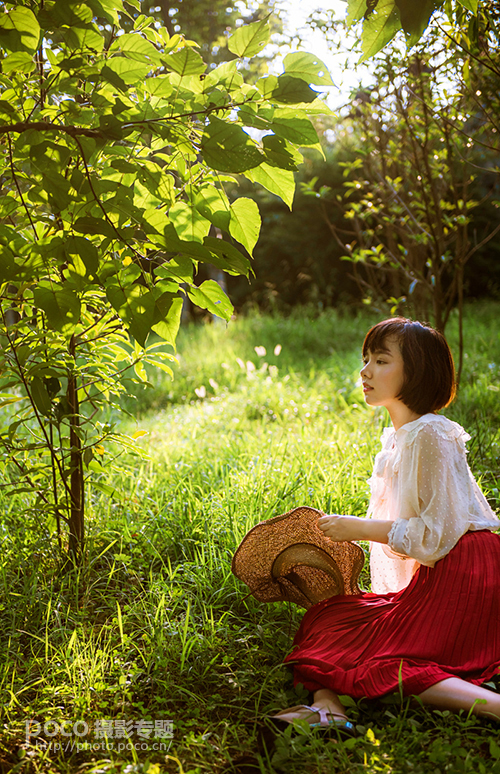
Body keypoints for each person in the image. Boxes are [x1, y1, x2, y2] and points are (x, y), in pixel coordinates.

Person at [270, 317, 500, 732]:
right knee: (328, 621)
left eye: (380, 360)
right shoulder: (399, 438)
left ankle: (493, 706)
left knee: (386, 658)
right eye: (365, 360)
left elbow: (435, 534)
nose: (365, 372)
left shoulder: (429, 433)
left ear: (416, 371)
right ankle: (329, 711)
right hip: (438, 573)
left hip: (463, 573)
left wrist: (357, 528)